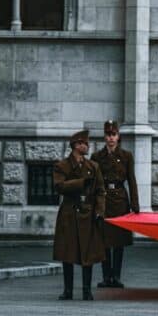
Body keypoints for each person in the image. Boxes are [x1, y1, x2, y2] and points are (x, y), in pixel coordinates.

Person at [52, 130, 106, 300]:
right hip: (69, 212)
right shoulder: (62, 166)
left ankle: (86, 290)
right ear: (76, 145)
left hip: (88, 213)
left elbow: (100, 191)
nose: (86, 147)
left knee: (87, 253)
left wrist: (99, 211)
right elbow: (59, 186)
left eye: (87, 144)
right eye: (84, 144)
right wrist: (81, 183)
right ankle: (68, 290)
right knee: (67, 253)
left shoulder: (93, 166)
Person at [91, 120, 140, 288]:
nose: (111, 138)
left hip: (120, 200)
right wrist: (93, 204)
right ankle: (106, 277)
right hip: (103, 200)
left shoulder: (126, 156)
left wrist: (135, 204)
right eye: (108, 135)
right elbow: (93, 183)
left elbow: (132, 180)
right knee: (104, 240)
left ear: (118, 137)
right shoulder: (97, 157)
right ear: (104, 137)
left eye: (113, 135)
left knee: (119, 240)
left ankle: (117, 276)